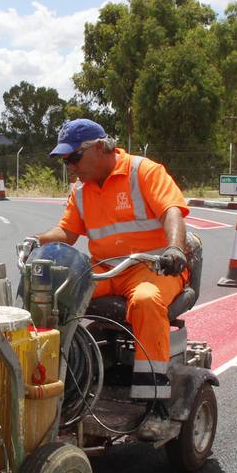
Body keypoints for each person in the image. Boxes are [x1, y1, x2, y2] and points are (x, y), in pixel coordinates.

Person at [32, 118, 190, 440]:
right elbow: (68, 232)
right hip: (105, 269)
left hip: (153, 266)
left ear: (101, 147)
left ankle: (155, 403)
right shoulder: (80, 191)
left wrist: (174, 249)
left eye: (74, 158)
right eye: (65, 162)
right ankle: (60, 383)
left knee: (146, 301)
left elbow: (171, 210)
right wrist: (38, 242)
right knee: (55, 293)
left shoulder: (143, 171)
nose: (71, 168)